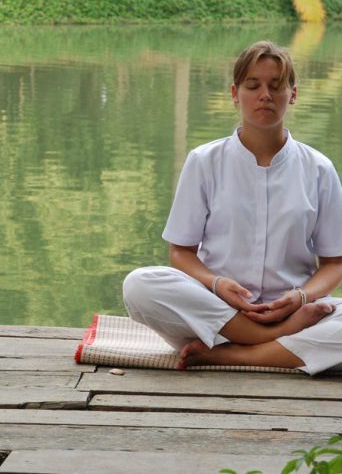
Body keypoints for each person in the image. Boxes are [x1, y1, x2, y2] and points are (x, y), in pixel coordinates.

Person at [123, 41, 342, 375]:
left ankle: (236, 355)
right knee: (139, 284)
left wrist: (299, 297)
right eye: (253, 86)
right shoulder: (204, 161)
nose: (264, 95)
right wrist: (215, 284)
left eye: (275, 86)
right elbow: (180, 252)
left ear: (293, 94)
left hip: (297, 312)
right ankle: (268, 340)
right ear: (235, 93)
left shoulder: (319, 168)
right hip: (216, 314)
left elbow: (335, 263)